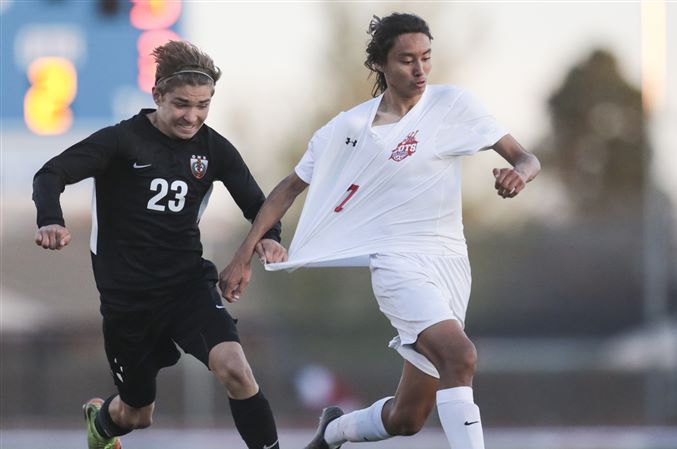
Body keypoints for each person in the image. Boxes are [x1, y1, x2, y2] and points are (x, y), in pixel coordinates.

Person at [219, 12, 540, 449]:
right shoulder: (347, 129)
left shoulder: (454, 105)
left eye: (426, 58)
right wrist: (244, 255)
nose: (420, 69)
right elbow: (287, 190)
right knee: (460, 356)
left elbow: (526, 157)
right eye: (407, 60)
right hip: (397, 265)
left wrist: (520, 174)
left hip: (451, 265)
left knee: (408, 417)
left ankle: (332, 431)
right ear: (380, 66)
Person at [32, 40, 286, 449]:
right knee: (138, 415)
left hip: (187, 288)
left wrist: (269, 241)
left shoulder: (213, 148)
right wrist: (50, 220)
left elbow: (259, 206)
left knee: (235, 368)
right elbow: (50, 174)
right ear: (157, 95)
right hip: (128, 303)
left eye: (203, 105)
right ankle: (101, 423)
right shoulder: (121, 141)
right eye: (182, 104)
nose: (193, 116)